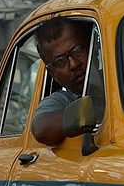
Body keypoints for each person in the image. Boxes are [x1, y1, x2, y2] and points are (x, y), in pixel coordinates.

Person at [31, 17, 91, 145]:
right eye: (60, 61)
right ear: (52, 73)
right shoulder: (61, 101)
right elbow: (41, 129)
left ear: (92, 48)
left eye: (77, 50)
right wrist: (89, 110)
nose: (74, 64)